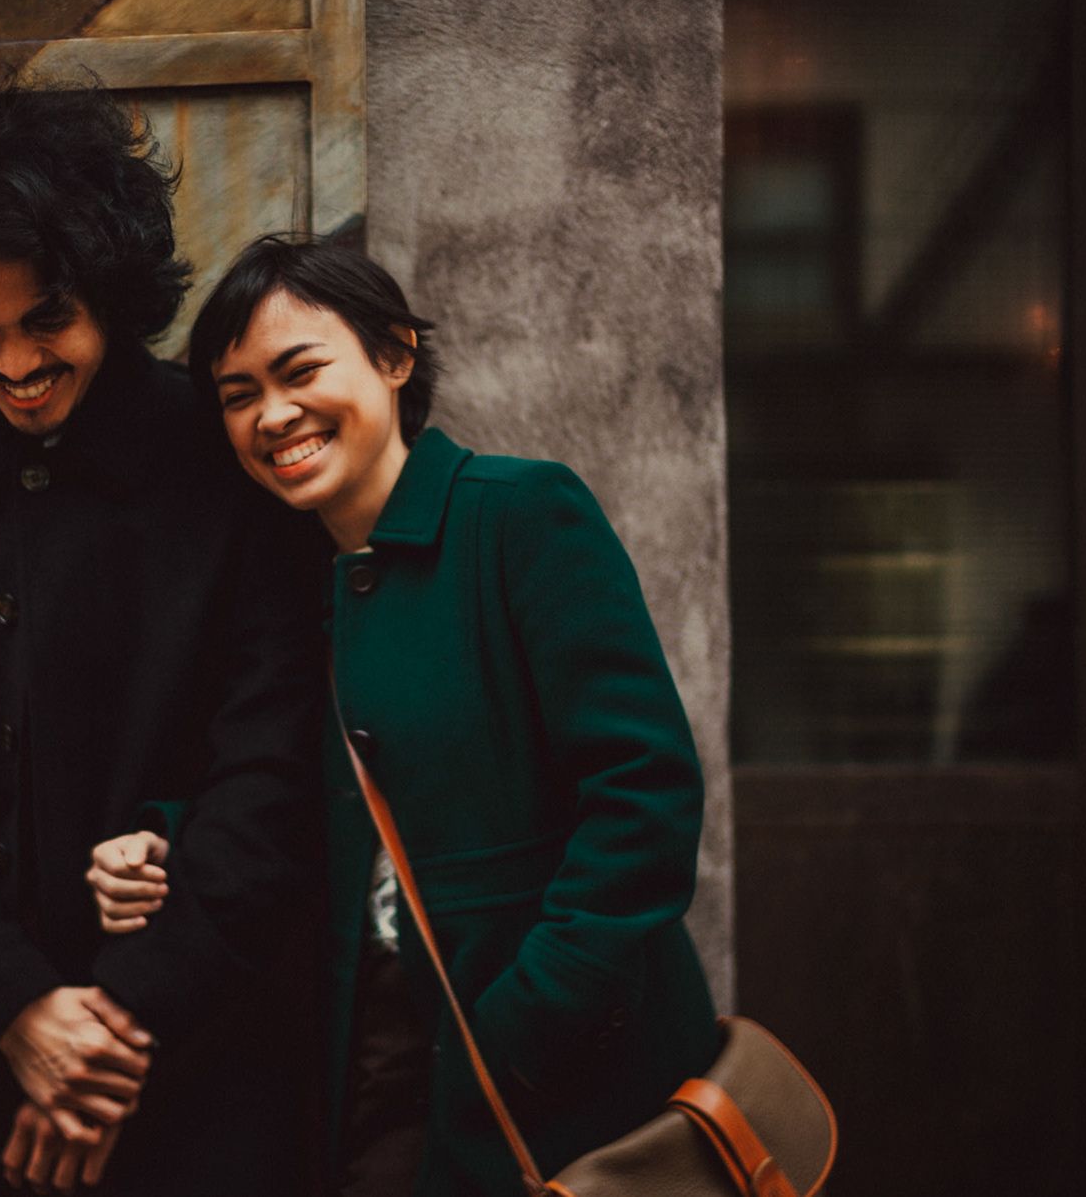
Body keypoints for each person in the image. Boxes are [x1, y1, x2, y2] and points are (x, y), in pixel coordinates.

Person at [88, 236, 722, 1196]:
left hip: (558, 1069)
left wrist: (526, 1021)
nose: (274, 415)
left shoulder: (517, 517)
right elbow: (310, 808)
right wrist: (170, 846)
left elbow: (645, 794)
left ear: (394, 356)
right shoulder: (297, 579)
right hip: (377, 1075)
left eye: (300, 371)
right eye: (238, 394)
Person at [0, 53, 326, 1196]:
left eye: (48, 321)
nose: (17, 364)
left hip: (202, 1063)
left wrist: (113, 1031)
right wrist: (13, 1010)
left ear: (112, 290)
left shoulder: (231, 460)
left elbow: (275, 770)